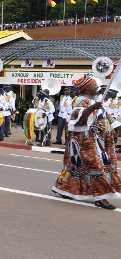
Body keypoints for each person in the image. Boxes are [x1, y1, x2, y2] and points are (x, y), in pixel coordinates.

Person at [52, 73, 121, 209]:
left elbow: (107, 117)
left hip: (100, 140)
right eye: (95, 85)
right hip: (85, 139)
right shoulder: (79, 100)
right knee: (96, 166)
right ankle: (101, 197)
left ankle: (64, 188)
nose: (98, 87)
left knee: (78, 167)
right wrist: (93, 108)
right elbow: (79, 118)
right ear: (87, 88)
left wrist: (116, 126)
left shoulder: (96, 101)